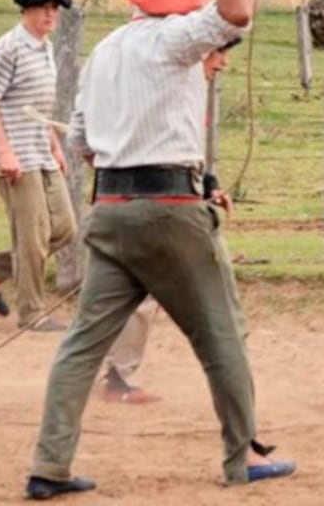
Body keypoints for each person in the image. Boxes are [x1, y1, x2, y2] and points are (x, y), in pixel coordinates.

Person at [24, 0, 295, 500]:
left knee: (81, 346)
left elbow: (83, 142)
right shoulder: (175, 38)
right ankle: (242, 455)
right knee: (222, 333)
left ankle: (49, 465)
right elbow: (238, 11)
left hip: (111, 213)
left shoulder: (103, 54)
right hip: (171, 213)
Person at [99, 37, 242, 405]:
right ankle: (117, 377)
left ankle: (110, 375)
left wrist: (206, 186)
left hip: (159, 204)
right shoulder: (167, 91)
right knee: (155, 293)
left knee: (133, 294)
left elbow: (185, 155)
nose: (222, 63)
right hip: (151, 206)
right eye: (218, 53)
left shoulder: (185, 94)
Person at [0, 0, 76, 332]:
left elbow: (37, 105)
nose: (50, 15)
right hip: (16, 156)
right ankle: (32, 312)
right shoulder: (8, 47)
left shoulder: (45, 47)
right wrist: (4, 150)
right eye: (43, 8)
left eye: (54, 9)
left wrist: (53, 144)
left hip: (41, 150)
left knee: (64, 227)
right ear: (26, 10)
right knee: (32, 235)